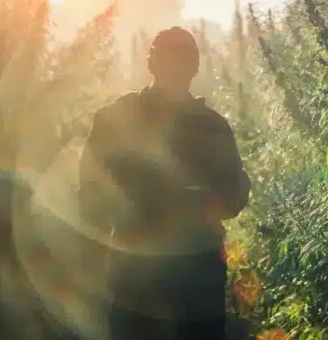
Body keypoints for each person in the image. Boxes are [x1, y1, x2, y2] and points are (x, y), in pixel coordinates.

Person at [77, 26, 251, 340]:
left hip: (149, 274)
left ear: (151, 63)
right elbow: (235, 196)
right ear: (195, 68)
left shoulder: (115, 119)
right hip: (189, 277)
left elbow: (90, 199)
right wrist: (193, 205)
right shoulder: (212, 126)